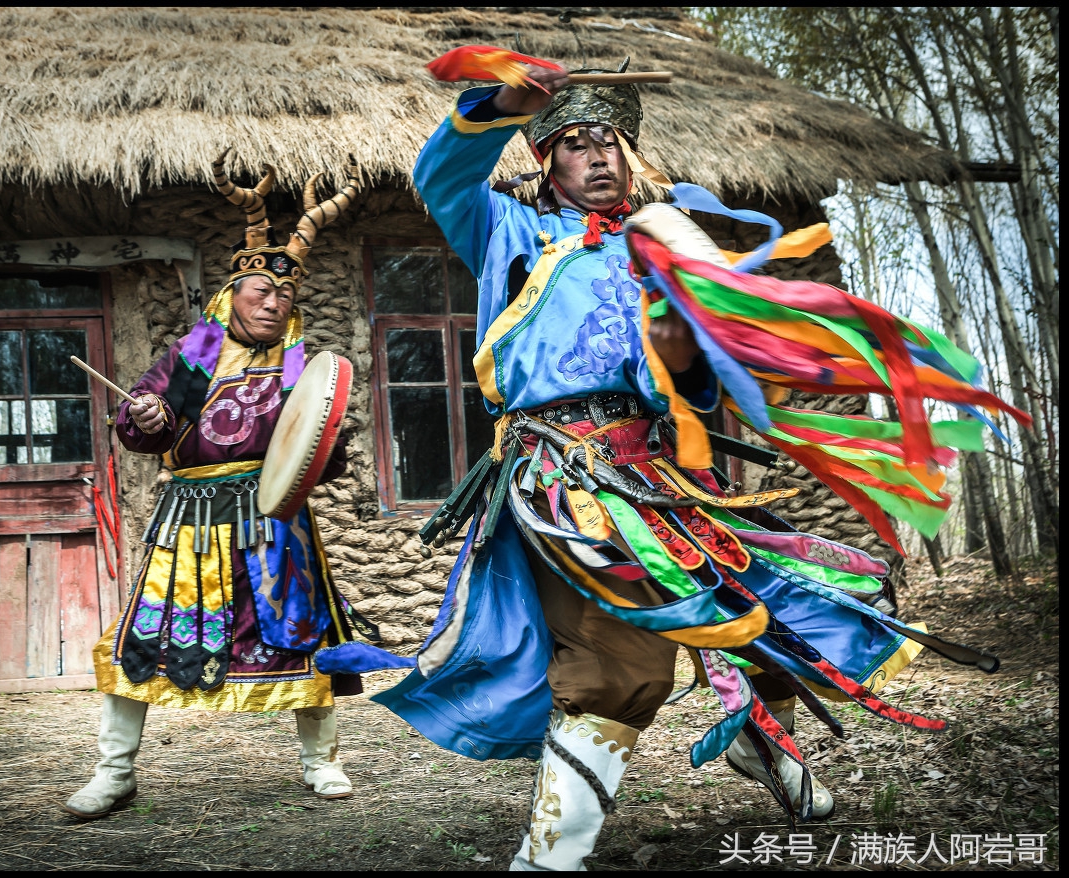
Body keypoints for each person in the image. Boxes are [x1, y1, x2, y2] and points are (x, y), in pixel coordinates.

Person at [334, 56, 1016, 871]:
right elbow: (440, 172)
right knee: (619, 663)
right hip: (562, 479)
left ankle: (761, 743)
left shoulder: (662, 251)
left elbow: (697, 389)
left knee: (787, 602)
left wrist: (681, 355)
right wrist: (503, 105)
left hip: (658, 472)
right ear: (546, 160)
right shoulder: (505, 230)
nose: (598, 156)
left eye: (612, 143)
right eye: (577, 143)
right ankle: (551, 857)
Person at [63, 154, 374, 820]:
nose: (274, 302)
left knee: (303, 634)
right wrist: (143, 415)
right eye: (261, 291)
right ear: (231, 295)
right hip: (194, 522)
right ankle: (114, 773)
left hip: (275, 523)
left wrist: (329, 440)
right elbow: (143, 422)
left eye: (285, 294)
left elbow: (324, 457)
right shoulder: (197, 353)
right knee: (145, 640)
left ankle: (322, 764)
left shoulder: (299, 366)